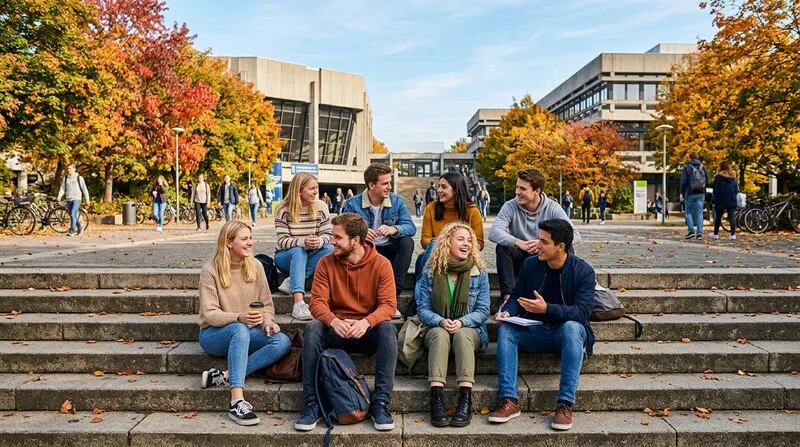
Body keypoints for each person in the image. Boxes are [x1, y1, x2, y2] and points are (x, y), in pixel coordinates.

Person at [295, 213, 398, 432]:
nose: (332, 241)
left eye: (337, 237)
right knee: (313, 327)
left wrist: (367, 322)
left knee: (388, 328)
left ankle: (380, 403)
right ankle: (311, 404)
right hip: (337, 333)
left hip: (366, 333)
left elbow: (389, 306)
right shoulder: (325, 263)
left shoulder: (381, 264)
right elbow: (317, 304)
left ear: (356, 240)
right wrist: (333, 321)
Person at [489, 219, 595, 431]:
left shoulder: (584, 271)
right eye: (538, 239)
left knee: (573, 327)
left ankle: (564, 404)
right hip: (534, 330)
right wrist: (508, 311)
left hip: (563, 334)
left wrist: (547, 309)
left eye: (543, 241)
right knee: (507, 328)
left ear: (560, 247)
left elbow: (582, 312)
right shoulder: (531, 264)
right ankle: (510, 400)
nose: (537, 244)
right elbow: (517, 296)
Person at [198, 220, 292, 426]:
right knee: (239, 330)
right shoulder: (210, 271)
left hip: (247, 331)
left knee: (282, 341)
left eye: (250, 238)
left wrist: (268, 322)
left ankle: (224, 375)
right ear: (229, 242)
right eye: (245, 239)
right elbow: (210, 314)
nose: (250, 243)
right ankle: (236, 401)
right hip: (214, 335)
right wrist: (239, 317)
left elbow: (266, 304)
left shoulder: (256, 266)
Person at [415, 222, 490, 428]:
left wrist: (461, 322)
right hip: (436, 328)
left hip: (471, 331)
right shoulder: (431, 272)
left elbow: (483, 311)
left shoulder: (479, 273)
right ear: (447, 242)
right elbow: (423, 309)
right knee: (439, 334)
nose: (466, 243)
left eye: (469, 240)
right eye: (461, 239)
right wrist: (440, 320)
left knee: (462, 334)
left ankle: (464, 399)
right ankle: (436, 400)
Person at [489, 169, 581, 303]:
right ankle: (507, 299)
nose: (517, 192)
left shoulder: (552, 208)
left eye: (522, 189)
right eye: (517, 187)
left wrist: (542, 243)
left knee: (567, 248)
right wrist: (518, 242)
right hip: (521, 256)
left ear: (536, 191)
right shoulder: (510, 206)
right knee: (503, 247)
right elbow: (494, 232)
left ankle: (567, 293)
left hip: (544, 258)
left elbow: (575, 235)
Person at [343, 163, 415, 299]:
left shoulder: (397, 201)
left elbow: (410, 227)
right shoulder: (352, 203)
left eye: (390, 182)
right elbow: (343, 230)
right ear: (371, 185)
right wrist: (361, 233)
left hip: (390, 249)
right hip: (367, 250)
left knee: (407, 242)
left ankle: (393, 294)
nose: (390, 187)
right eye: (385, 183)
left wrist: (394, 229)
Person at [274, 172, 334, 321]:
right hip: (286, 256)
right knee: (299, 251)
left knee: (331, 249)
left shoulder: (321, 206)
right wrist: (303, 241)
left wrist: (319, 241)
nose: (315, 192)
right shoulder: (283, 209)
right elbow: (282, 241)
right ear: (299, 190)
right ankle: (298, 303)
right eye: (311, 188)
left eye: (316, 188)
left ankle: (293, 280)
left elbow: (328, 235)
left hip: (313, 255)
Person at [417, 173, 484, 279]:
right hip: (436, 254)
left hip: (462, 255)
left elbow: (479, 243)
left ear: (456, 190)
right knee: (425, 254)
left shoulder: (472, 211)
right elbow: (425, 240)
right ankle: (424, 287)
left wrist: (455, 248)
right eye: (439, 186)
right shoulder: (431, 208)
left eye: (443, 187)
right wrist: (445, 246)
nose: (439, 190)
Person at [680, 151, 709, 239]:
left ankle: (691, 231)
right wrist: (703, 189)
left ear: (690, 157)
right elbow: (707, 180)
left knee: (688, 212)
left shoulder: (686, 167)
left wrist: (682, 192)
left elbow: (683, 182)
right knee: (699, 212)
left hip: (690, 193)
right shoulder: (703, 167)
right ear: (697, 157)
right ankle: (699, 233)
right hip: (700, 193)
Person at [57, 164, 90, 236]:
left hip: (77, 198)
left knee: (72, 213)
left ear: (74, 169)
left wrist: (87, 199)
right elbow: (62, 188)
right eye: (68, 168)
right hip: (69, 198)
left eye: (70, 168)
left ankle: (71, 231)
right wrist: (59, 196)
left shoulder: (79, 178)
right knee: (73, 215)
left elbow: (84, 189)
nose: (68, 170)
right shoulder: (65, 178)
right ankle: (80, 227)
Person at [711, 160, 739, 241]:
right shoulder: (733, 178)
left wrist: (714, 201)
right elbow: (736, 190)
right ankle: (733, 234)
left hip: (721, 200)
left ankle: (715, 234)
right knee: (732, 217)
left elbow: (716, 191)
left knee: (718, 216)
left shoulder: (718, 177)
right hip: (732, 199)